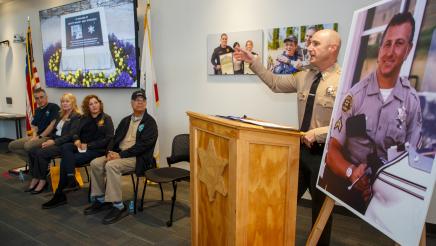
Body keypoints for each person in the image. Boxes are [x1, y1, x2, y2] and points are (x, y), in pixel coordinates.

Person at [235, 29, 342, 245]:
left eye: (316, 44)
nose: (309, 47)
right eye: (310, 43)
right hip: (300, 152)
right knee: (282, 201)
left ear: (332, 49)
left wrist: (319, 133)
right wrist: (254, 63)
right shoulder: (305, 75)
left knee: (321, 214)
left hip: (326, 157)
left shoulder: (345, 80)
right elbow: (275, 83)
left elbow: (349, 124)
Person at [323, 12, 422, 214]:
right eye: (387, 44)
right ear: (379, 49)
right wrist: (351, 172)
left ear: (408, 50)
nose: (390, 52)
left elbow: (412, 161)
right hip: (347, 186)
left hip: (388, 197)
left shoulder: (411, 102)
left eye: (399, 44)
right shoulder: (355, 96)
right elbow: (332, 152)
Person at [83, 89, 158, 224]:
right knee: (95, 163)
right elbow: (114, 138)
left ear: (146, 103)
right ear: (131, 103)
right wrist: (110, 152)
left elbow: (143, 147)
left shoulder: (150, 123)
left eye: (142, 100)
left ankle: (118, 206)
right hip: (119, 154)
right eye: (136, 100)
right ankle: (100, 199)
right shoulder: (125, 120)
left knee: (112, 166)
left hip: (138, 158)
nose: (139, 103)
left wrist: (120, 155)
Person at [42, 95, 114, 209]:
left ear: (100, 104)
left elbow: (109, 139)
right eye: (91, 104)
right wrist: (77, 140)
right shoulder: (84, 118)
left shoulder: (106, 118)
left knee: (66, 161)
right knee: (66, 147)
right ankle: (71, 178)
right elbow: (75, 132)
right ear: (87, 107)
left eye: (96, 103)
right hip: (81, 146)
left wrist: (88, 145)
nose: (94, 106)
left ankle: (60, 194)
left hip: (96, 150)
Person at [26, 93, 81, 194]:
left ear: (73, 102)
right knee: (32, 151)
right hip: (55, 140)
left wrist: (53, 142)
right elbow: (55, 131)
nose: (64, 103)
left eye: (67, 101)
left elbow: (71, 135)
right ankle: (35, 177)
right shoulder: (61, 115)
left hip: (66, 144)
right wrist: (49, 139)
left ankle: (42, 181)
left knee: (40, 153)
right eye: (63, 101)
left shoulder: (76, 116)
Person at [8, 88, 60, 162]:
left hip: (48, 137)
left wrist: (39, 137)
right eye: (37, 98)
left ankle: (37, 165)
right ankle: (34, 163)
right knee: (12, 145)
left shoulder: (53, 107)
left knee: (28, 146)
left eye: (41, 97)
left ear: (46, 97)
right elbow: (34, 126)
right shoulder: (37, 110)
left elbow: (52, 125)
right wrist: (35, 136)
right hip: (37, 136)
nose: (40, 100)